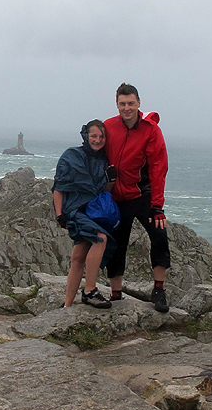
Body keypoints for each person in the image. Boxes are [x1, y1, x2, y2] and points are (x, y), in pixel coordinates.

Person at [104, 83, 171, 312]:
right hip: (115, 198)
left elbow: (158, 168)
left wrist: (157, 205)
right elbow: (95, 155)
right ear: (117, 105)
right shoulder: (108, 126)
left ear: (139, 103)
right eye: (122, 104)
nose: (127, 108)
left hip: (143, 196)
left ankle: (159, 290)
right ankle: (115, 294)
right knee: (115, 245)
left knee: (159, 236)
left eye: (131, 103)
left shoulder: (151, 130)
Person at [52, 120, 116, 309]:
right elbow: (58, 187)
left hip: (92, 212)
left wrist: (111, 180)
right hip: (74, 211)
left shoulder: (103, 160)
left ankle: (67, 306)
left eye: (101, 136)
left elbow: (104, 192)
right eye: (93, 135)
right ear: (85, 136)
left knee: (78, 257)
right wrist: (59, 214)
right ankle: (89, 290)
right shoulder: (71, 156)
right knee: (100, 238)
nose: (97, 140)